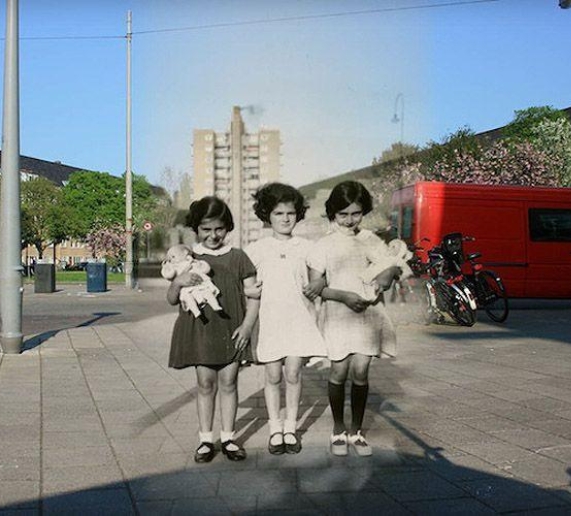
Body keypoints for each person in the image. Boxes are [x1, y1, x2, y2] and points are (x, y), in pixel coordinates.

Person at [307, 181, 405, 457]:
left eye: (356, 213)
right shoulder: (323, 245)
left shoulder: (371, 240)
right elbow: (316, 288)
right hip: (338, 313)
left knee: (361, 371)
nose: (350, 220)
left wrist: (388, 275)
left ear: (364, 212)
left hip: (367, 315)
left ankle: (356, 431)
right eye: (343, 214)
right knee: (339, 371)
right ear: (333, 213)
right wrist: (345, 296)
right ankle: (338, 429)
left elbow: (391, 269)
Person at [166, 196, 260, 463]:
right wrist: (178, 282)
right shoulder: (187, 257)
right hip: (200, 330)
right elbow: (171, 299)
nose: (213, 235)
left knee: (229, 382)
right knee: (205, 384)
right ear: (196, 228)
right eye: (206, 229)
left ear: (227, 227)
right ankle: (206, 440)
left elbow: (254, 295)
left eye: (219, 228)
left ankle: (229, 438)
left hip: (232, 330)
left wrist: (247, 326)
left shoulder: (238, 257)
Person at [244, 183, 327, 455]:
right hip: (270, 321)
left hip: (298, 319)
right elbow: (243, 281)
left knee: (292, 373)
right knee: (272, 374)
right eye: (278, 213)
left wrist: (319, 283)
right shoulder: (257, 249)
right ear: (267, 215)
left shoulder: (307, 247)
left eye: (290, 213)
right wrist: (246, 290)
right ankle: (275, 429)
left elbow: (321, 276)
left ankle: (290, 428)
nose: (285, 218)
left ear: (298, 214)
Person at [161, 244, 223, 318]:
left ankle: (216, 306)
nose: (171, 259)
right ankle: (196, 312)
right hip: (186, 290)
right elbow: (169, 275)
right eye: (169, 258)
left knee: (208, 293)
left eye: (173, 256)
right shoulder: (175, 267)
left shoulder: (194, 261)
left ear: (185, 254)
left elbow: (206, 269)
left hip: (200, 285)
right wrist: (166, 266)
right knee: (188, 298)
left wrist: (200, 264)